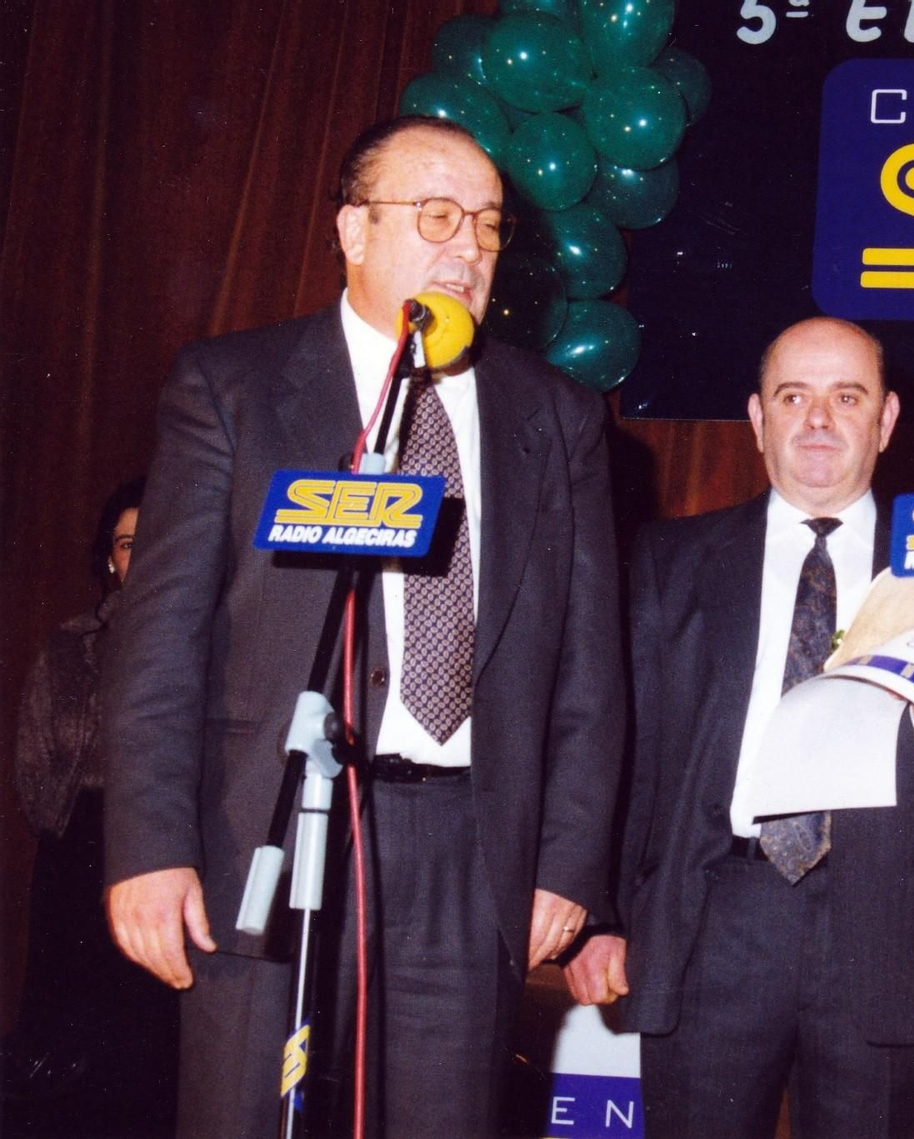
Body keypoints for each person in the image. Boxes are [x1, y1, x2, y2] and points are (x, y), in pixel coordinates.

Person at [101, 116, 624, 1138]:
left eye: (487, 224)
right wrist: (149, 846)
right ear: (353, 229)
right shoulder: (234, 388)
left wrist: (567, 865)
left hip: (470, 849)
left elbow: (589, 668)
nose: (468, 247)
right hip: (264, 837)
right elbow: (159, 641)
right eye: (436, 216)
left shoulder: (554, 415)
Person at [562, 316, 914, 1138]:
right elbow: (620, 745)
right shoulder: (670, 560)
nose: (819, 420)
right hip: (713, 919)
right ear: (757, 417)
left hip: (879, 925)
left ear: (886, 421)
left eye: (847, 397)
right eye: (794, 396)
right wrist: (601, 915)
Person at [5, 478, 178, 1136]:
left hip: (161, 848)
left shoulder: (207, 643)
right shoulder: (68, 645)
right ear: (110, 557)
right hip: (77, 855)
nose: (139, 553)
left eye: (151, 539)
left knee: (146, 1035)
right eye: (126, 543)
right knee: (69, 1031)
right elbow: (33, 764)